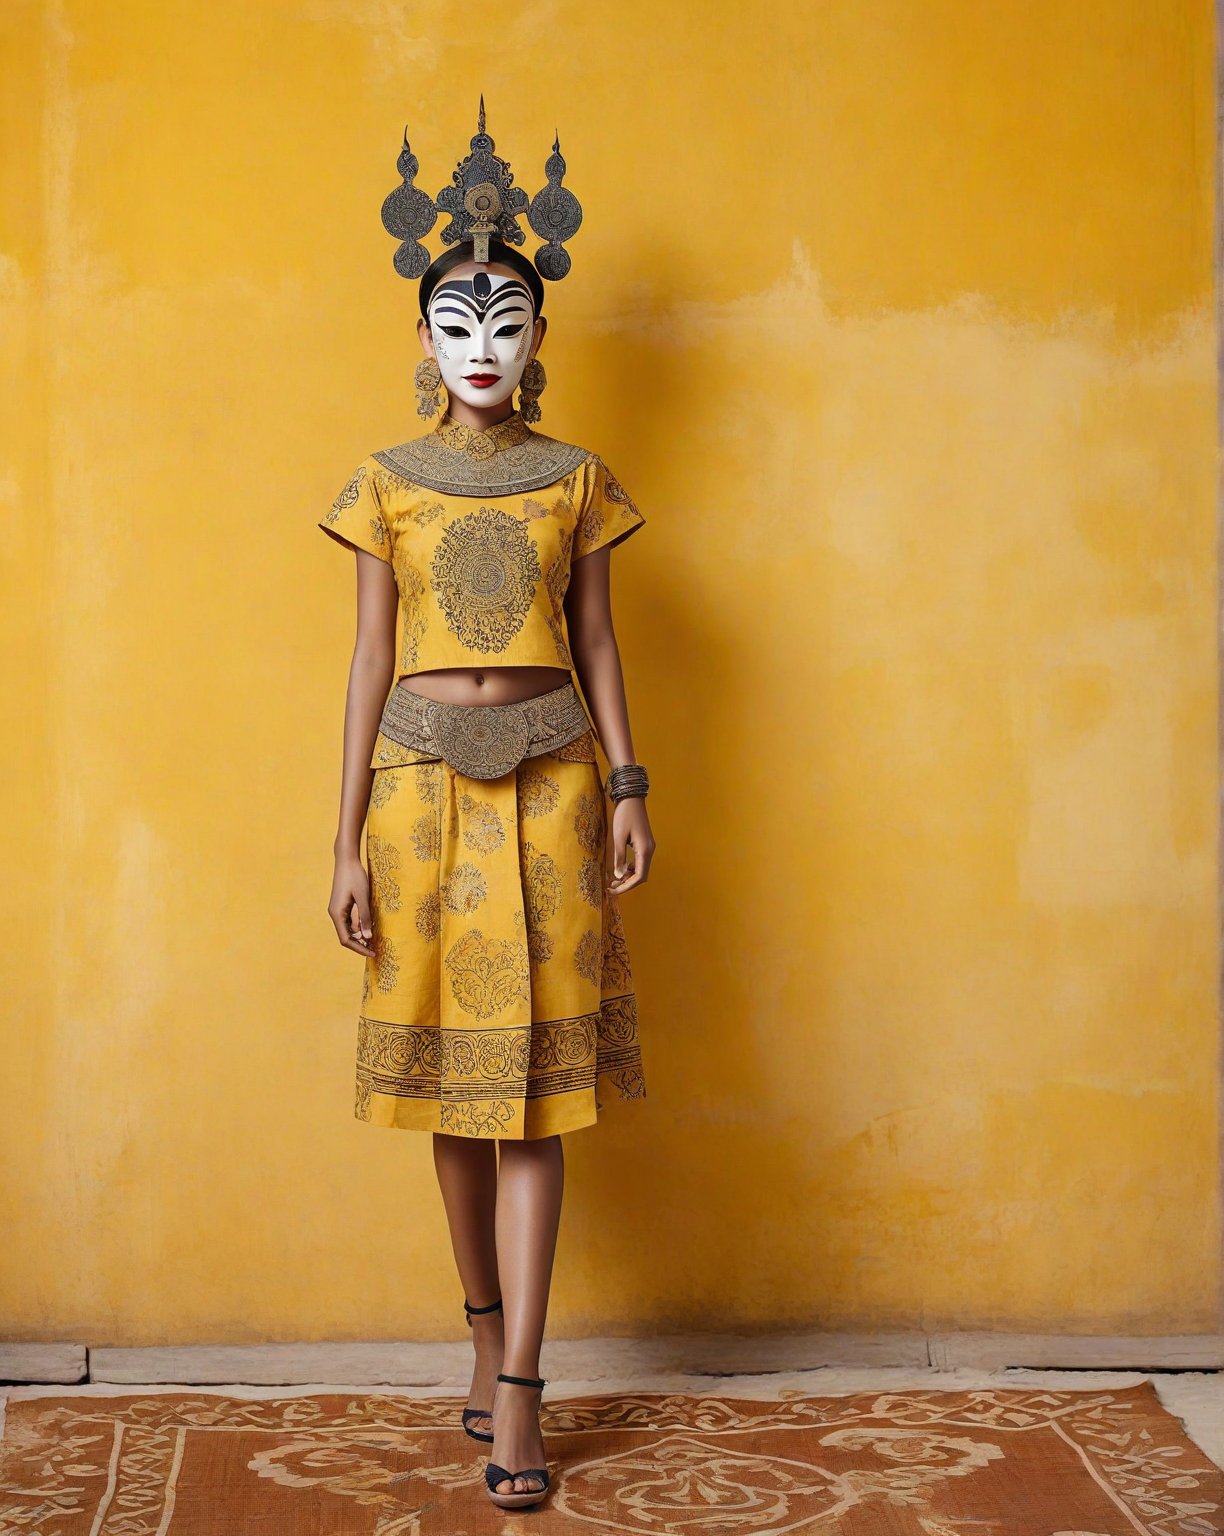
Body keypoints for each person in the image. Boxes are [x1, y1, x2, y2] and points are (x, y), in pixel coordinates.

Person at [316, 101, 654, 1511]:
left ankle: (523, 1390)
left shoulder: (577, 478)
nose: (482, 344)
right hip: (411, 794)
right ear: (423, 341)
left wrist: (630, 784)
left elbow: (602, 637)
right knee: (457, 1099)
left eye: (505, 320)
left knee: (530, 1107)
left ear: (535, 336)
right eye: (457, 321)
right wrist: (338, 836)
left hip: (556, 785)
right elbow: (370, 653)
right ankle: (478, 1339)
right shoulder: (384, 484)